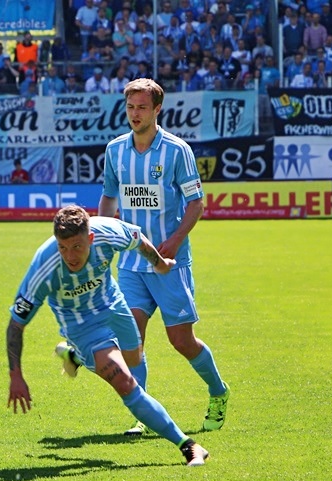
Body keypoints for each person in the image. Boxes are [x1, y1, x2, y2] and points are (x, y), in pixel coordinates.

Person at [6, 205, 209, 467]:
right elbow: (16, 325)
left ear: (90, 238)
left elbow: (138, 240)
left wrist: (159, 265)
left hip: (114, 305)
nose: (70, 256)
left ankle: (74, 356)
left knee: (135, 357)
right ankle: (189, 446)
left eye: (77, 246)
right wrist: (16, 376)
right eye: (63, 247)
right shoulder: (44, 267)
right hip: (82, 325)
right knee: (125, 382)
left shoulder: (107, 232)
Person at [97, 79, 230, 436]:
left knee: (181, 342)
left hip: (169, 264)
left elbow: (196, 203)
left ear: (157, 110)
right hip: (132, 263)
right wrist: (106, 234)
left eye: (142, 107)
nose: (135, 114)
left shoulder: (177, 151)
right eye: (130, 107)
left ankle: (218, 392)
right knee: (131, 340)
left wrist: (173, 240)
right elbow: (110, 198)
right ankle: (144, 414)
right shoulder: (115, 151)